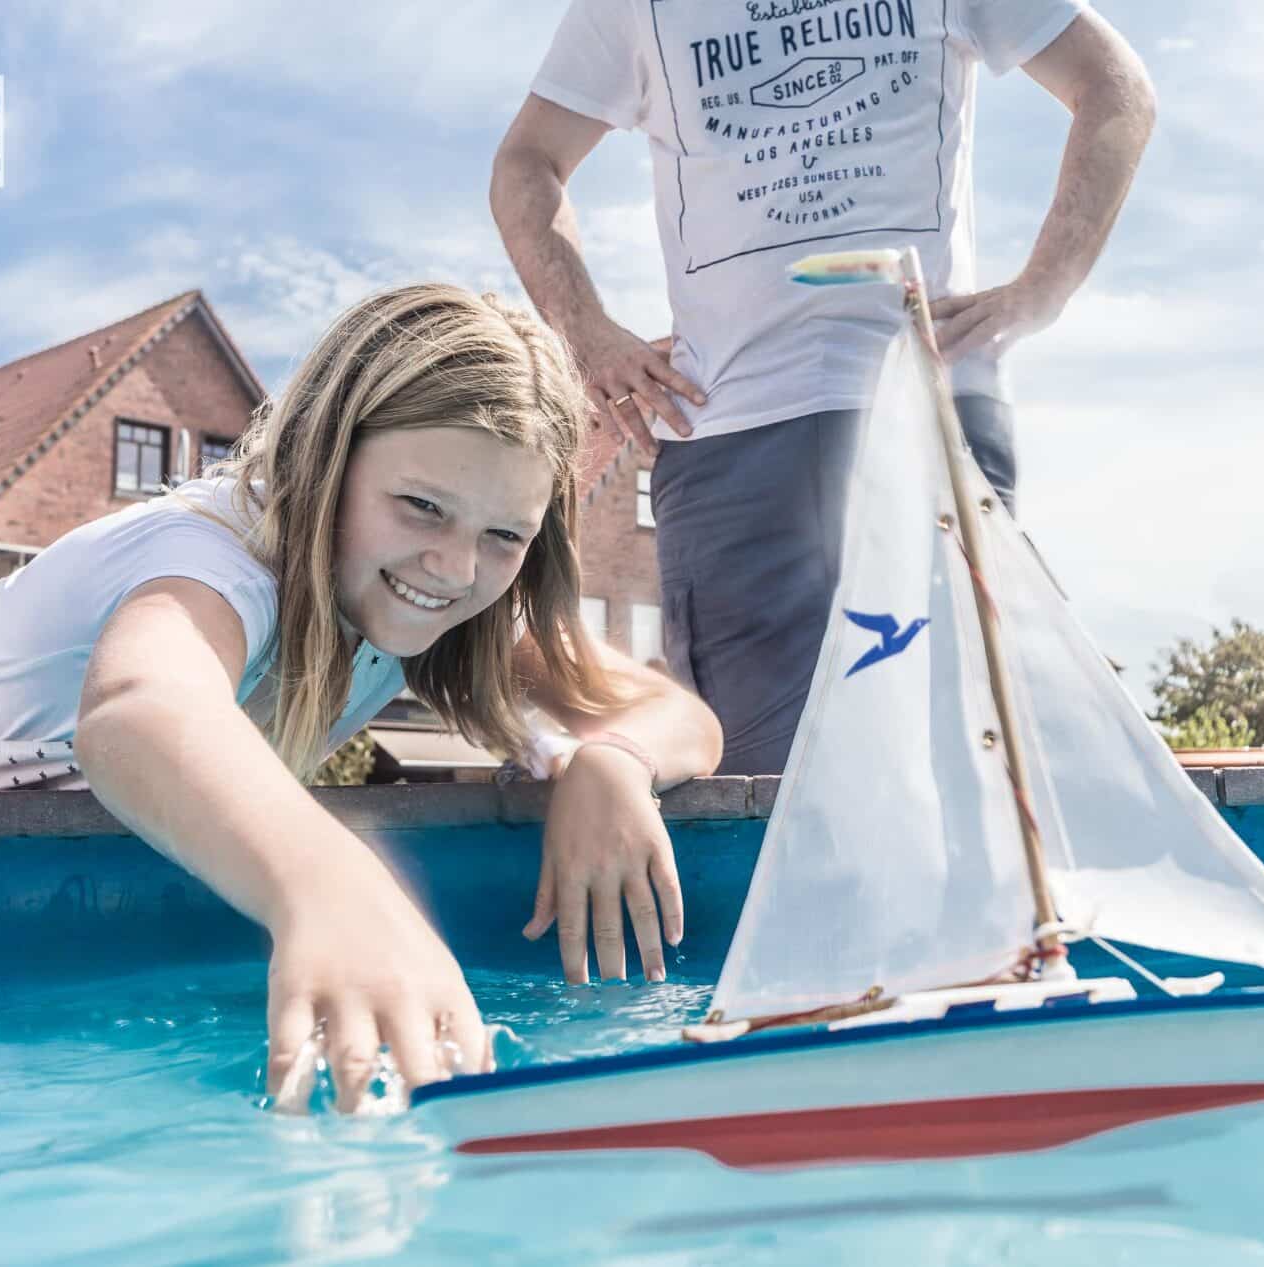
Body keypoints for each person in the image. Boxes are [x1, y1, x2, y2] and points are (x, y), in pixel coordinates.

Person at [0, 283, 722, 1110]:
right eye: (421, 505)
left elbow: (681, 716)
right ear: (325, 456)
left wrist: (613, 761)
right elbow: (139, 709)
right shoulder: (217, 559)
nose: (458, 567)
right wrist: (333, 887)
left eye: (504, 535)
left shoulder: (430, 600)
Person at [491, 0, 1154, 774]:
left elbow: (1116, 87)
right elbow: (526, 162)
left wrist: (1043, 287)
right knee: (758, 780)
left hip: (926, 411)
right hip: (729, 431)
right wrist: (588, 334)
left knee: (963, 758)